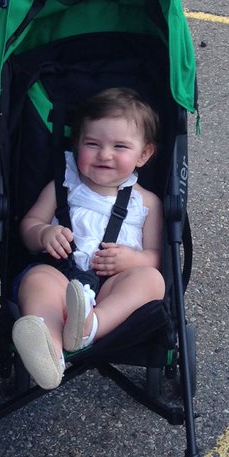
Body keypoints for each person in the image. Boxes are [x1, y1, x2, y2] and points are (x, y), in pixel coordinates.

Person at [12, 87, 165, 389]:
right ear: (76, 144)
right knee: (37, 278)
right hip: (60, 276)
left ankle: (89, 326)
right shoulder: (63, 187)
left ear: (143, 154)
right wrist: (43, 233)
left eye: (120, 147)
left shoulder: (146, 202)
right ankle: (50, 350)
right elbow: (29, 225)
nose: (104, 155)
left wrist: (133, 260)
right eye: (92, 144)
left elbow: (157, 256)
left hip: (111, 289)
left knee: (151, 279)